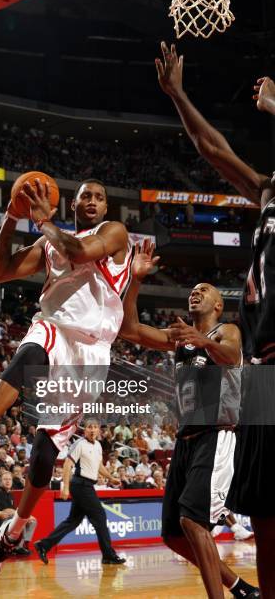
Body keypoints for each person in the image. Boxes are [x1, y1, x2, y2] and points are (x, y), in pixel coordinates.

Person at [0, 178, 131, 581]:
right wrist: (11, 216)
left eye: (99, 197)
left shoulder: (113, 233)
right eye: (85, 196)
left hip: (90, 355)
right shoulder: (50, 241)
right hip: (55, 327)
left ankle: (14, 530)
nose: (92, 201)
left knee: (43, 453)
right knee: (31, 348)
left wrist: (42, 222)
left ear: (106, 207)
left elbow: (81, 251)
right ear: (70, 204)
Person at [156, 41, 275, 595]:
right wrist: (179, 95)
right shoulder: (268, 191)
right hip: (262, 374)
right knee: (266, 512)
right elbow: (212, 148)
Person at [120, 239, 259, 599]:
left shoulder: (226, 331)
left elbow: (230, 357)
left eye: (203, 290)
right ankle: (240, 587)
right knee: (173, 534)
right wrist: (135, 281)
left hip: (218, 433)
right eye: (192, 291)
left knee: (193, 521)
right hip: (186, 440)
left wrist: (201, 339)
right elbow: (130, 330)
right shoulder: (180, 339)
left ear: (217, 304)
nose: (195, 293)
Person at [34, 419, 125, 565]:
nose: (93, 430)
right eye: (90, 427)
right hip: (81, 485)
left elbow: (99, 465)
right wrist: (65, 487)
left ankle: (43, 545)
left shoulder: (98, 445)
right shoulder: (80, 444)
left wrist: (111, 478)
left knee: (73, 521)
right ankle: (108, 555)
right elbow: (67, 464)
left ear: (99, 431)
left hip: (87, 485)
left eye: (95, 427)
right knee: (100, 517)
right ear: (85, 430)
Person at [0, 471, 37, 556]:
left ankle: (24, 544)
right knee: (21, 521)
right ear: (0, 481)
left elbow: (14, 510)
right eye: (5, 479)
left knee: (33, 521)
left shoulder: (10, 493)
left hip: (11, 517)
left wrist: (27, 516)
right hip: (2, 519)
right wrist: (24, 516)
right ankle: (18, 548)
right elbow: (6, 510)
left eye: (9, 479)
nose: (8, 481)